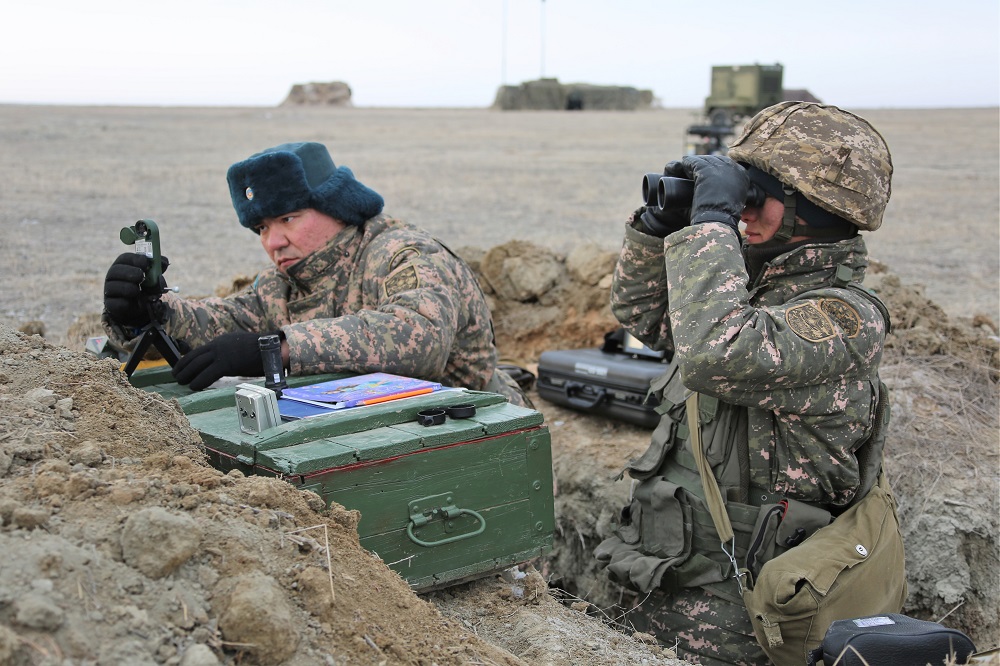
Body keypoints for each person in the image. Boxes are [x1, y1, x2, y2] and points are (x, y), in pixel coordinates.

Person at [595, 102, 906, 664]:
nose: (742, 209)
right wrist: (658, 228)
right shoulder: (747, 287)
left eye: (752, 193)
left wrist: (712, 225)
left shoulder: (845, 317)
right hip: (666, 566)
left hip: (746, 610)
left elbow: (718, 353)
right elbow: (647, 317)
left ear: (812, 211)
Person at [102, 141, 530, 407]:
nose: (273, 242)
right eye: (262, 228)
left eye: (287, 219)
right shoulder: (284, 283)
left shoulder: (404, 254)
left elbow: (418, 340)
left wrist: (276, 348)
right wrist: (143, 310)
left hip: (479, 435)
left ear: (336, 206)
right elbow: (224, 323)